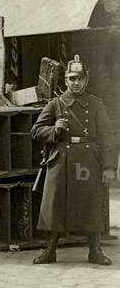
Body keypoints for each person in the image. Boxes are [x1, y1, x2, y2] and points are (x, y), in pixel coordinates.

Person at [31, 55, 116, 265]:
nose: (76, 82)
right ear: (66, 80)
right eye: (71, 78)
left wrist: (109, 167)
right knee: (55, 206)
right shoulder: (55, 104)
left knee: (91, 204)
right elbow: (35, 131)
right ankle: (49, 251)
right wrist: (54, 129)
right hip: (61, 161)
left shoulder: (96, 105)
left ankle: (95, 251)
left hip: (88, 161)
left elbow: (107, 137)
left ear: (86, 80)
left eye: (80, 78)